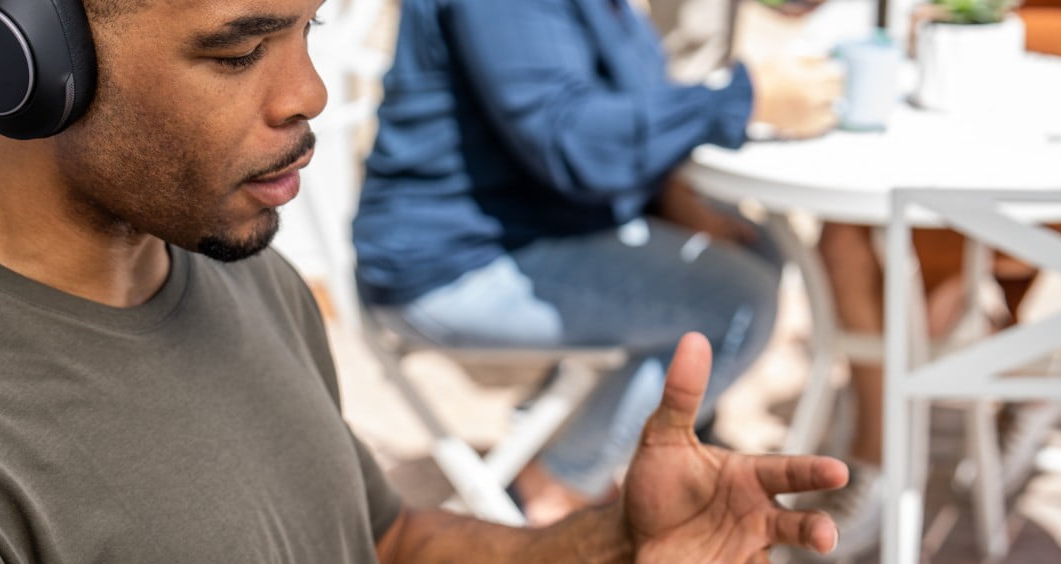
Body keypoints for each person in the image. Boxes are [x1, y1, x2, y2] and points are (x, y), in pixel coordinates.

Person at [0, 0, 850, 564]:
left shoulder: (225, 264)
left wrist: (614, 554)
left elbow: (375, 561)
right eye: (239, 47)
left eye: (309, 28)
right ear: (18, 48)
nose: (307, 93)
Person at [354, 0, 841, 525]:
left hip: (537, 225)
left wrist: (676, 192)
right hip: (453, 265)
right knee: (739, 301)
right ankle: (557, 490)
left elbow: (631, 92)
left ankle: (616, 454)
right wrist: (745, 100)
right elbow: (572, 141)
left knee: (752, 247)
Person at [813, 0, 1061, 556]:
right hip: (978, 120)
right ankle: (912, 424)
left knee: (924, 267)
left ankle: (979, 391)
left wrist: (995, 27)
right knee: (848, 233)